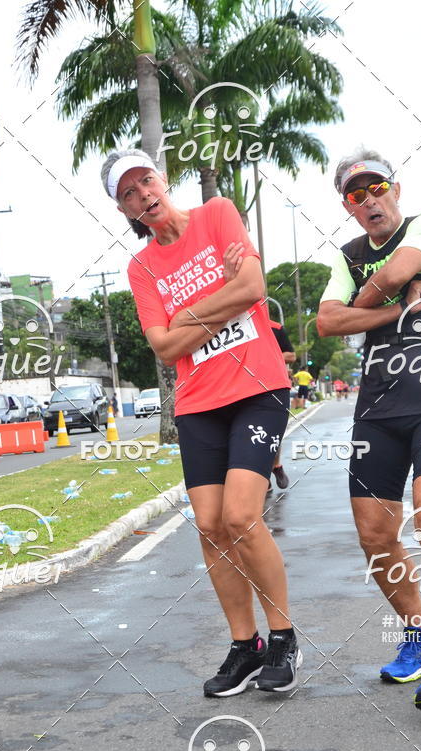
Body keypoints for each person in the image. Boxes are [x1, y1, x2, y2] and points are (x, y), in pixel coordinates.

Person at [101, 148, 302, 696]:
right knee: (210, 525)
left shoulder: (217, 214)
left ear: (163, 179)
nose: (143, 195)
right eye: (128, 193)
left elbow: (253, 289)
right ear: (123, 210)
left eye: (146, 181)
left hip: (257, 389)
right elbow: (164, 348)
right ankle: (245, 645)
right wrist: (221, 299)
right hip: (197, 404)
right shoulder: (142, 268)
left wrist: (185, 316)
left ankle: (283, 637)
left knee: (241, 516)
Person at [317, 148, 421, 710]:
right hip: (379, 404)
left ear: (396, 189)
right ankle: (418, 636)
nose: (370, 200)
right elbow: (328, 321)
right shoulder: (347, 255)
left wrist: (372, 297)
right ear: (348, 206)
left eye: (377, 187)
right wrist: (396, 306)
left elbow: (390, 273)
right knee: (374, 533)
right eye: (356, 194)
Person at [268, 319, 295, 490]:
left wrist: (264, 355)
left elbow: (291, 355)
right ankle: (262, 477)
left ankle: (276, 466)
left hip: (273, 387)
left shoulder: (275, 328)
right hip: (240, 390)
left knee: (272, 433)